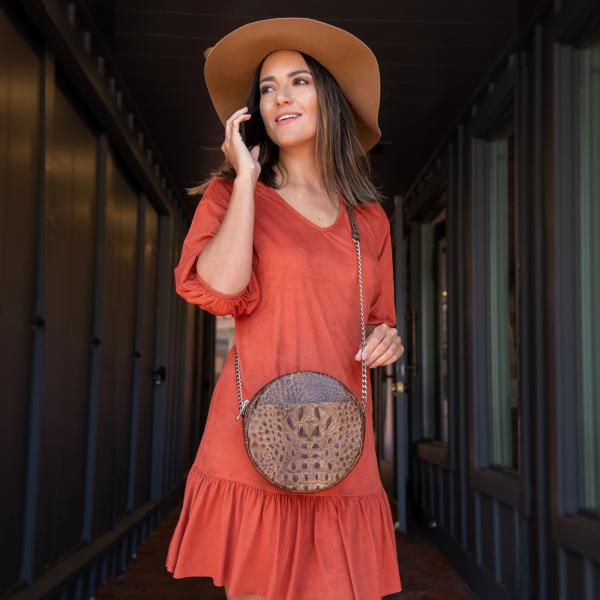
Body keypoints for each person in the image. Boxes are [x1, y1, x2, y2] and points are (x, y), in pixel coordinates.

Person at [165, 17, 405, 600]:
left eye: (299, 81)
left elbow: (378, 318)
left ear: (330, 99)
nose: (281, 97)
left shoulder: (369, 218)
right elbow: (219, 290)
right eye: (268, 87)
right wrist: (247, 180)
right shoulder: (231, 195)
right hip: (256, 433)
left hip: (338, 438)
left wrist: (387, 339)